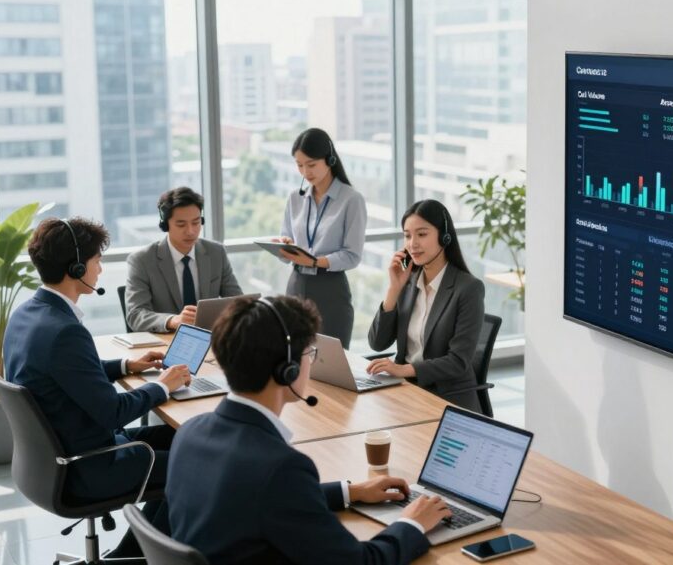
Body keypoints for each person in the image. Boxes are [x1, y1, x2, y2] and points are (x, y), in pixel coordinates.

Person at [167, 295, 450, 565]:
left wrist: (350, 492)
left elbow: (259, 498)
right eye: (309, 354)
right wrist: (412, 523)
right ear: (287, 370)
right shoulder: (280, 468)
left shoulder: (190, 433)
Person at [3, 217, 192, 556]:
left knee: (184, 438)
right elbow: (112, 411)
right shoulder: (65, 332)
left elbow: (65, 375)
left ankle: (129, 554)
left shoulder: (28, 315)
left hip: (53, 458)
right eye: (96, 261)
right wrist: (163, 386)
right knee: (198, 465)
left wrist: (125, 366)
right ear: (76, 268)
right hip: (88, 464)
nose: (100, 270)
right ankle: (141, 557)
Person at [366, 200, 485, 413]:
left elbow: (458, 361)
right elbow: (377, 343)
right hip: (406, 391)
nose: (412, 244)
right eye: (407, 235)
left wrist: (404, 369)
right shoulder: (408, 282)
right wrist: (394, 289)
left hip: (446, 398)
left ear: (444, 236)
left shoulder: (468, 289)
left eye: (422, 234)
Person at [274, 128, 367, 348]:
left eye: (311, 164)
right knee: (293, 357)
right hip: (296, 286)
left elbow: (352, 255)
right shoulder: (295, 199)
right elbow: (287, 235)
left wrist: (316, 262)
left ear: (330, 159)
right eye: (299, 165)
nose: (306, 171)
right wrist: (285, 245)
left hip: (330, 289)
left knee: (330, 363)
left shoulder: (351, 199)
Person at [125, 186, 243, 333]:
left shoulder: (216, 253)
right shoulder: (141, 260)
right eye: (181, 224)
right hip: (164, 343)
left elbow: (238, 302)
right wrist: (172, 321)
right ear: (165, 224)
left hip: (210, 340)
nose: (190, 231)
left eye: (196, 222)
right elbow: (135, 314)